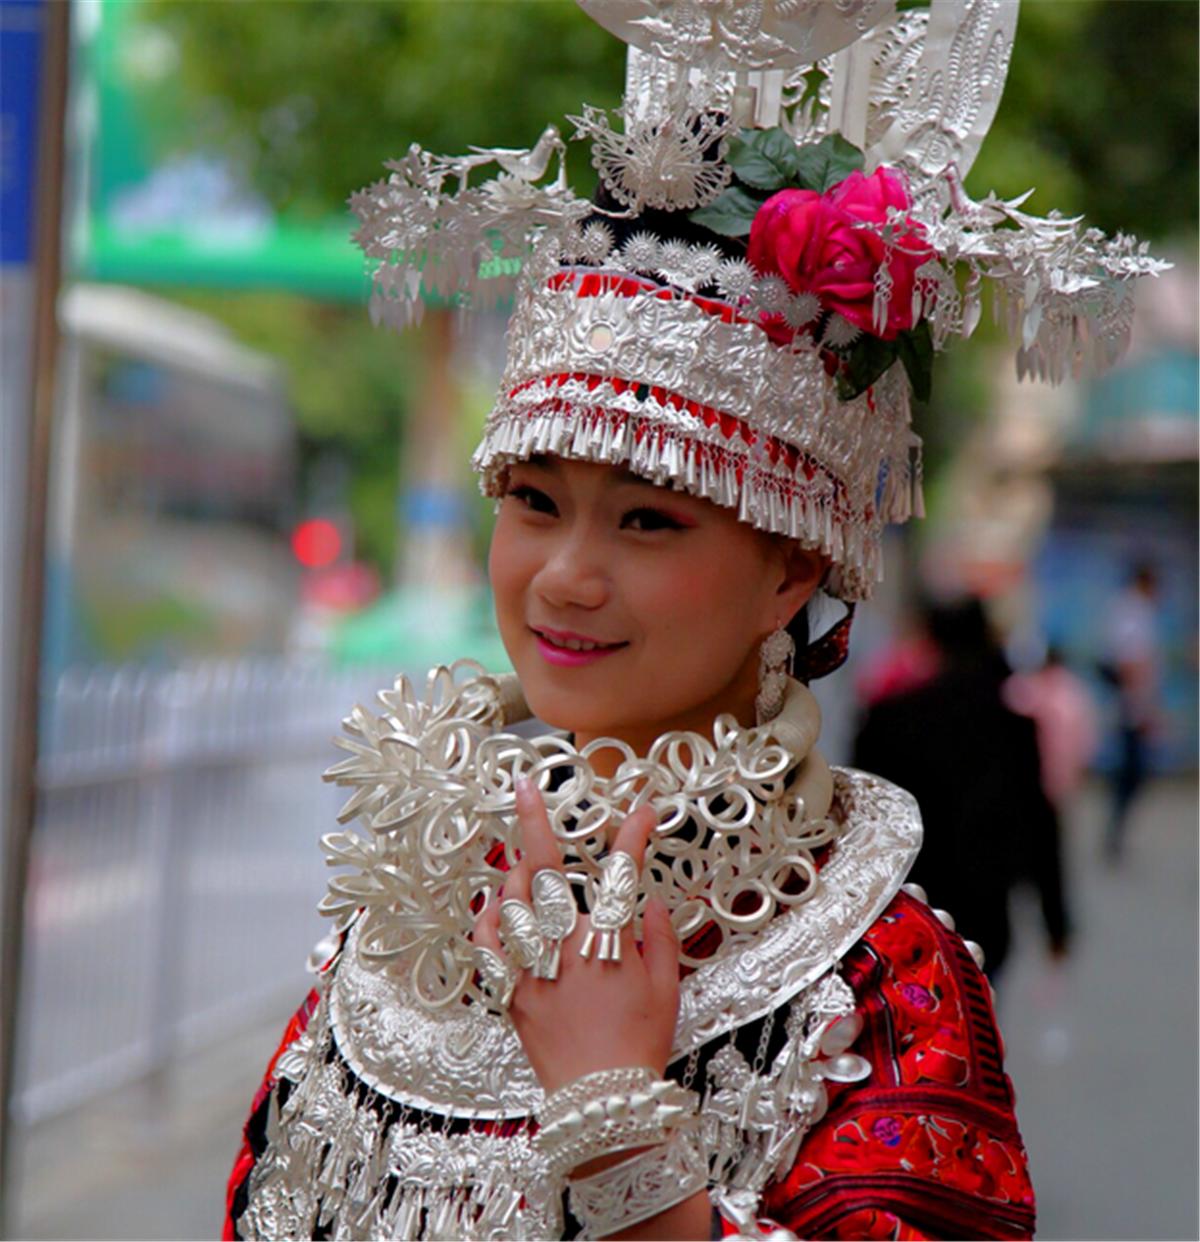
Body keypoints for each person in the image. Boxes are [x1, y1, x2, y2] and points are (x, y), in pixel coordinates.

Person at [224, 5, 1160, 1238]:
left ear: (788, 571)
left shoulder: (881, 980)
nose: (563, 576)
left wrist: (619, 1130)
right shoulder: (418, 909)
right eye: (536, 502)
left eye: (648, 522)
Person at [854, 599, 1071, 979]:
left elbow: (860, 819)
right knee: (973, 1018)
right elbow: (1040, 819)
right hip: (985, 911)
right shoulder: (1012, 726)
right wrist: (1055, 920)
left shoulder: (891, 719)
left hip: (903, 909)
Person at [1100, 564, 1163, 860]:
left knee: (1131, 772)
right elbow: (1131, 664)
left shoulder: (1128, 611)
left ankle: (1115, 831)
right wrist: (1143, 708)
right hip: (1132, 707)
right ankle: (1114, 832)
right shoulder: (1135, 613)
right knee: (1132, 773)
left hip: (1131, 706)